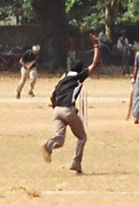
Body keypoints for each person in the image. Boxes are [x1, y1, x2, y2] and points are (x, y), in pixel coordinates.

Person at [42, 33, 102, 174]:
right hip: (68, 110)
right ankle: (76, 164)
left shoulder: (62, 80)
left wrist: (55, 105)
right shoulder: (79, 77)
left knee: (59, 139)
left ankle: (48, 145)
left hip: (56, 111)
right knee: (82, 137)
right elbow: (95, 64)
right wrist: (96, 45)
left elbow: (52, 96)